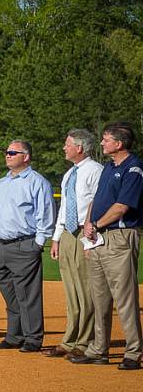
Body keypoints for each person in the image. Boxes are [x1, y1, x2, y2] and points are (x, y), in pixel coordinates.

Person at [72, 122, 143, 370]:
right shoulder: (108, 168)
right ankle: (98, 349)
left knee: (125, 298)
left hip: (119, 237)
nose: (101, 143)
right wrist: (88, 224)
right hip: (98, 237)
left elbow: (122, 206)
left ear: (119, 143)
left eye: (106, 139)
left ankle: (133, 352)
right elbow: (95, 200)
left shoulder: (133, 169)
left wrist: (98, 224)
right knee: (99, 297)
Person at [0, 140, 54, 353]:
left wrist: (37, 244)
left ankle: (33, 338)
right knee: (10, 293)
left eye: (13, 152)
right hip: (0, 246)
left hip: (24, 244)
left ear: (26, 156)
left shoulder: (37, 182)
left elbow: (45, 215)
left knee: (28, 294)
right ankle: (14, 336)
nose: (8, 155)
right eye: (7, 152)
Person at [46, 130, 102, 359]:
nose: (63, 148)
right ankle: (69, 340)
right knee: (71, 290)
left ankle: (85, 340)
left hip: (85, 232)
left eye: (67, 144)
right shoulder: (70, 173)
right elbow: (64, 207)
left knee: (85, 289)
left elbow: (98, 203)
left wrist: (91, 234)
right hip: (68, 234)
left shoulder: (95, 171)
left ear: (79, 147)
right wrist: (57, 237)